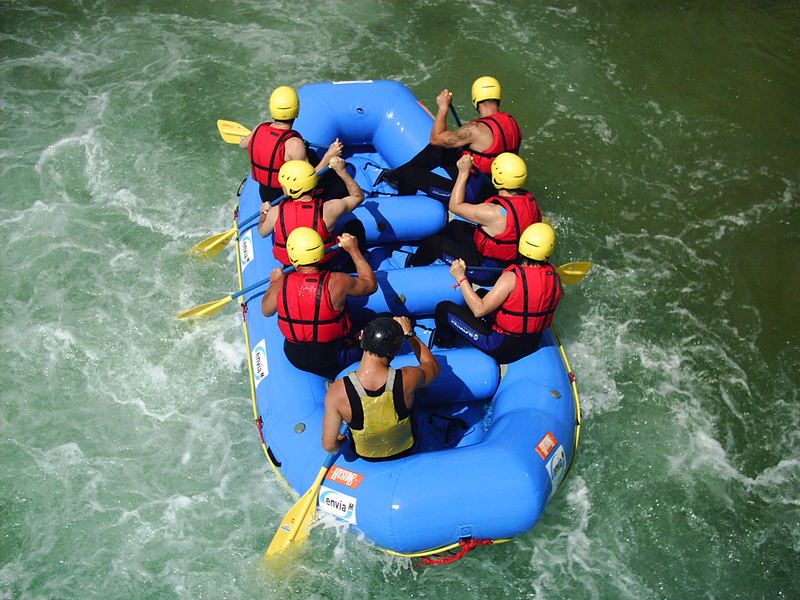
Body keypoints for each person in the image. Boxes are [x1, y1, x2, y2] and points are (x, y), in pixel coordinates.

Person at [433, 222, 562, 364]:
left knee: (444, 309)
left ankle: (444, 343)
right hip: (532, 342)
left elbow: (479, 310)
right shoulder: (555, 277)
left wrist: (461, 277)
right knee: (481, 293)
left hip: (501, 347)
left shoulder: (511, 278)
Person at [378, 76, 521, 203]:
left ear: (475, 99)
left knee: (409, 175)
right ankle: (394, 176)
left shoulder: (475, 129)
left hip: (472, 193)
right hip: (491, 184)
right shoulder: (513, 124)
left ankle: (401, 203)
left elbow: (435, 138)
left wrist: (443, 107)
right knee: (440, 149)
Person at [261, 227, 377, 380]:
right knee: (382, 321)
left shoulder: (281, 283)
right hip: (334, 360)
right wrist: (353, 250)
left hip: (295, 357)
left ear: (292, 256)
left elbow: (266, 311)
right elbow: (371, 285)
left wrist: (273, 282)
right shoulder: (337, 281)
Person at [322, 316, 440, 460]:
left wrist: (342, 441)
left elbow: (329, 445)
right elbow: (432, 367)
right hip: (407, 448)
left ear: (361, 337)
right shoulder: (408, 377)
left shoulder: (337, 391)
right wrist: (410, 335)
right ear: (395, 352)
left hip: (366, 456)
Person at [406, 152, 541, 278]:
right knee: (455, 226)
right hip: (507, 260)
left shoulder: (491, 211)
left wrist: (463, 172)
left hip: (487, 271)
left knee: (434, 243)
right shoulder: (531, 201)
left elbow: (455, 206)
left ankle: (411, 265)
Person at [258, 156, 366, 271]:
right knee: (355, 225)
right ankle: (352, 267)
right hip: (325, 263)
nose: (281, 185)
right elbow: (358, 197)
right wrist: (342, 170)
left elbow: (262, 232)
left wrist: (264, 213)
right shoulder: (329, 209)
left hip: (291, 267)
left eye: (283, 184)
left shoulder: (275, 212)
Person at [240, 85, 343, 204]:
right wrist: (329, 156)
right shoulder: (294, 143)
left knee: (310, 153)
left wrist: (253, 138)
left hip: (264, 192)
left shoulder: (258, 129)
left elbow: (243, 144)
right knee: (337, 183)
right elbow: (310, 181)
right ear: (297, 111)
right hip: (285, 196)